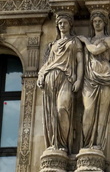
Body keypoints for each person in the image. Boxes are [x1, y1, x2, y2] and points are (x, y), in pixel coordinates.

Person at [37, 12, 84, 153]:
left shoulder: (74, 42)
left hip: (66, 78)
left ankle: (63, 145)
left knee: (62, 109)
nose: (62, 25)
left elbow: (80, 61)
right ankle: (55, 145)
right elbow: (47, 63)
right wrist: (41, 76)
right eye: (60, 23)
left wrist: (79, 80)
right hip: (50, 77)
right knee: (52, 114)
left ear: (70, 24)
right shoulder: (53, 45)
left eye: (65, 22)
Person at [78, 9, 110, 151]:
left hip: (106, 77)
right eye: (94, 21)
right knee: (88, 110)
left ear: (105, 23)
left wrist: (85, 41)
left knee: (102, 114)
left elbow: (95, 50)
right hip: (89, 78)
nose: (97, 24)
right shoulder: (91, 41)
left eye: (100, 21)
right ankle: (86, 144)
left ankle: (98, 145)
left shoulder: (109, 39)